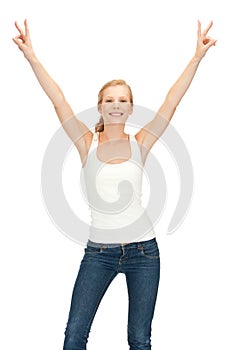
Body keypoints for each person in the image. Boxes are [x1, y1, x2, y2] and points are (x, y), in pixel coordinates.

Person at [13, 19, 216, 350]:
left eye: (123, 100)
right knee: (74, 336)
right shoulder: (86, 143)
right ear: (100, 106)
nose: (117, 104)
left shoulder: (142, 143)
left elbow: (170, 103)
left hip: (144, 252)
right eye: (110, 100)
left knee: (139, 339)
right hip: (99, 254)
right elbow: (59, 100)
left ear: (131, 107)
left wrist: (196, 57)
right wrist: (32, 57)